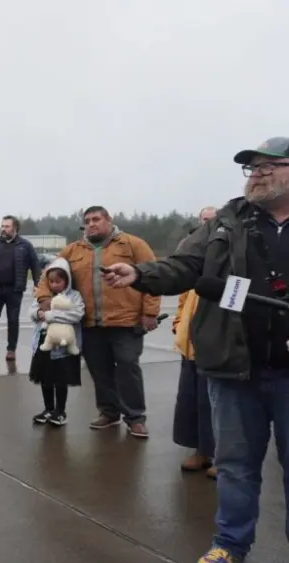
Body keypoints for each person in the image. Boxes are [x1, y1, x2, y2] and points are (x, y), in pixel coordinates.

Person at [101, 136, 289, 563]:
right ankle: (229, 545)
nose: (256, 174)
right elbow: (185, 265)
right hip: (234, 368)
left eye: (268, 166)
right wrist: (140, 272)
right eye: (252, 168)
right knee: (236, 466)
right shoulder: (228, 221)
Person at [33, 206, 160, 438]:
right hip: (91, 324)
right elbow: (47, 275)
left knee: (128, 367)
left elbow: (153, 276)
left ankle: (135, 417)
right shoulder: (73, 250)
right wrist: (43, 299)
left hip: (126, 321)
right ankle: (109, 412)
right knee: (99, 371)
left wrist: (150, 313)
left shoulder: (132, 244)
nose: (91, 224)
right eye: (87, 221)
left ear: (109, 220)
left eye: (96, 219)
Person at [172, 206, 218, 479]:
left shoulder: (230, 256)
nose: (207, 225)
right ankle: (201, 450)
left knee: (218, 405)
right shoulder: (194, 257)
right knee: (192, 402)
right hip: (189, 346)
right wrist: (179, 324)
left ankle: (221, 456)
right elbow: (183, 298)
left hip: (216, 346)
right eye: (204, 221)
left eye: (212, 221)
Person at [27, 259, 84, 426]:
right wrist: (38, 313)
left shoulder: (74, 296)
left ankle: (60, 411)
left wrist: (51, 315)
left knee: (60, 380)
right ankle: (48, 409)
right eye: (51, 281)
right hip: (43, 344)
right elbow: (31, 312)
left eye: (58, 281)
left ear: (67, 280)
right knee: (45, 380)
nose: (54, 285)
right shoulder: (43, 296)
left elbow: (76, 315)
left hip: (64, 347)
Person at [0, 215, 42, 361]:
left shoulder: (25, 245)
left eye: (7, 226)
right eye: (2, 226)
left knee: (13, 319)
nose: (3, 229)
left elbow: (35, 266)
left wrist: (38, 285)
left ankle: (11, 349)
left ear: (15, 228)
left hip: (14, 289)